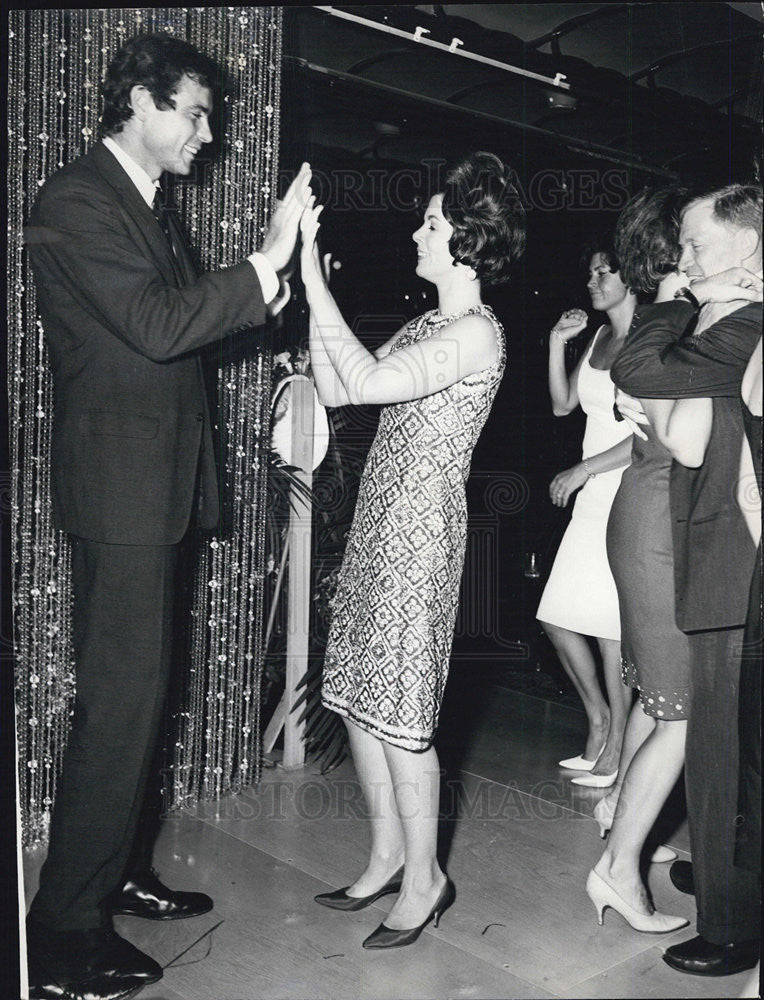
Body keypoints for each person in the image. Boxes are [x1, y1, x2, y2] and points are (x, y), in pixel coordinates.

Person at [24, 33, 309, 1000]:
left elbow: (181, 319)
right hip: (121, 491)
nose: (207, 129)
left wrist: (275, 287)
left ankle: (121, 869)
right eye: (192, 110)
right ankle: (62, 932)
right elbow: (155, 326)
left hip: (156, 488)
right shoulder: (74, 201)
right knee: (121, 706)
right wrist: (264, 260)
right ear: (137, 103)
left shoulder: (142, 206)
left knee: (145, 695)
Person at [300, 152, 525, 949]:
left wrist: (313, 280)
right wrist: (311, 299)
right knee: (361, 697)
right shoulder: (429, 323)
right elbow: (337, 390)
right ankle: (389, 852)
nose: (418, 231)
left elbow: (362, 385)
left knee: (403, 717)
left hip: (420, 536)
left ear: (468, 238)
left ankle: (427, 880)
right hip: (377, 521)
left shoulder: (473, 332)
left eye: (433, 222)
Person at [611, 184, 762, 976]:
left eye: (698, 245)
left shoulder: (745, 323)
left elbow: (645, 376)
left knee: (720, 746)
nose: (685, 259)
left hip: (734, 557)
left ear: (746, 245)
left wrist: (670, 302)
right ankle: (729, 883)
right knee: (726, 743)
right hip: (723, 549)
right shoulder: (733, 320)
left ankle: (733, 926)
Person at [585, 187, 695, 935]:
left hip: (641, 509)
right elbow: (678, 436)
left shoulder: (656, 320)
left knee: (656, 697)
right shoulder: (675, 321)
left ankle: (618, 811)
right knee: (685, 712)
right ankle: (620, 867)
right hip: (659, 516)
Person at [536, 243, 635, 783]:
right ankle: (598, 721)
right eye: (591, 270)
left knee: (611, 628)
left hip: (625, 487)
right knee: (557, 616)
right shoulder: (599, 337)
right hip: (592, 492)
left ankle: (619, 743)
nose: (594, 279)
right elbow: (561, 404)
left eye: (605, 271)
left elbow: (647, 436)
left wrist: (582, 470)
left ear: (633, 277)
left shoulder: (650, 337)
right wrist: (556, 342)